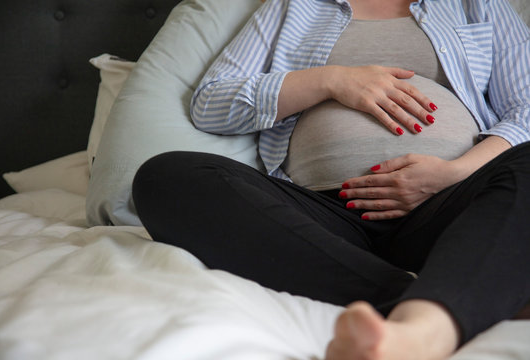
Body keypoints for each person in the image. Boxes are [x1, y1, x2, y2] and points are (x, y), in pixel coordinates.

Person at [132, 0, 530, 359]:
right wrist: (331, 80)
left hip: (452, 204)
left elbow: (527, 108)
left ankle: (424, 330)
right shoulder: (294, 7)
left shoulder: (477, 4)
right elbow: (212, 103)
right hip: (322, 216)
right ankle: (423, 300)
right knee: (165, 176)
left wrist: (452, 174)